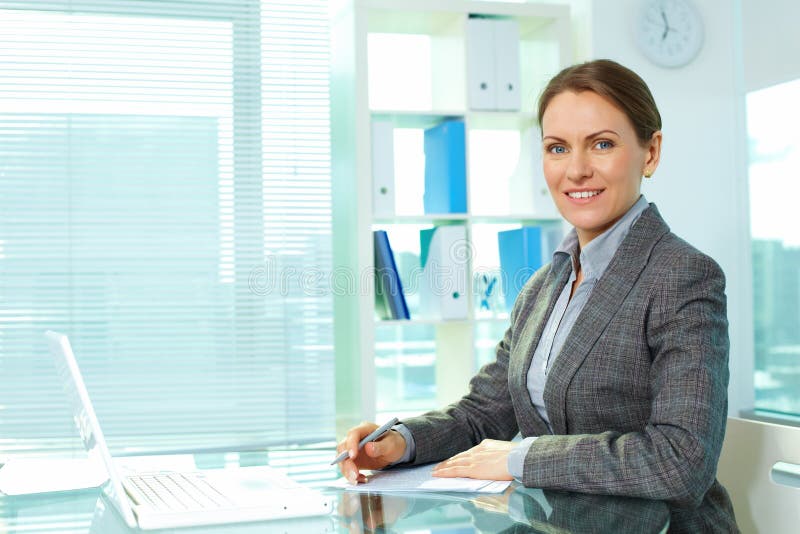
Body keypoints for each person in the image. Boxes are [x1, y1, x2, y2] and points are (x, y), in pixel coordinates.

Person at [337, 59, 738, 532]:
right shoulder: (542, 288)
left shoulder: (683, 276)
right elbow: (483, 414)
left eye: (602, 144)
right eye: (557, 148)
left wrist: (521, 458)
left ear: (650, 153)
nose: (577, 170)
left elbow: (680, 460)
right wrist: (400, 442)